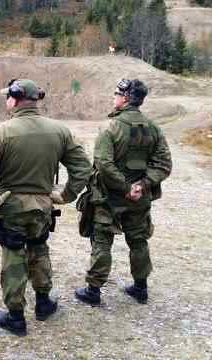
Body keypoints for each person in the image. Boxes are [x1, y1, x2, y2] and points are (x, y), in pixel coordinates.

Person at [0, 79, 91, 336]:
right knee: (39, 248)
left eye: (8, 97)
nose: (6, 101)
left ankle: (16, 316)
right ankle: (43, 303)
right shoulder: (59, 131)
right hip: (43, 205)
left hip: (12, 206)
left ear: (15, 99)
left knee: (14, 255)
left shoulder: (1, 133)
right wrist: (66, 195)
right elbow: (83, 168)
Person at [75, 79, 172, 306]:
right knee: (138, 240)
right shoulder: (153, 128)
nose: (114, 96)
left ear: (126, 98)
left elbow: (103, 163)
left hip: (110, 197)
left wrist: (126, 188)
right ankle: (140, 288)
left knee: (101, 240)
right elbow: (164, 164)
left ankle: (93, 291)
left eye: (117, 93)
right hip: (139, 198)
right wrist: (142, 185)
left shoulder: (112, 127)